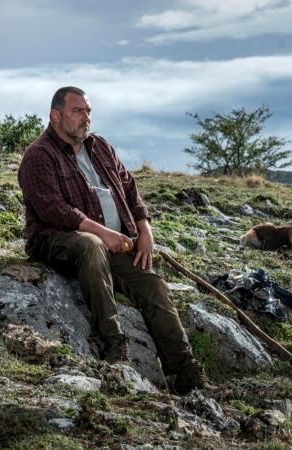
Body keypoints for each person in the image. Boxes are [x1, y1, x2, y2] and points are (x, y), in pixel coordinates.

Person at [18, 86, 211, 394]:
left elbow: (130, 188)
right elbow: (54, 210)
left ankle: (186, 371)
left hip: (114, 243)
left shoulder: (100, 147)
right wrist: (103, 232)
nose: (86, 118)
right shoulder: (39, 156)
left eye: (88, 111)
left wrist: (144, 229)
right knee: (90, 245)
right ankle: (114, 343)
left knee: (153, 284)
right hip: (57, 240)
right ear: (56, 116)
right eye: (77, 111)